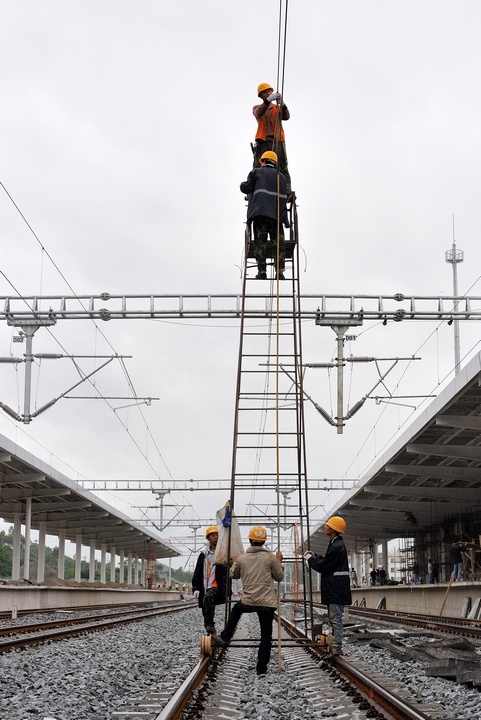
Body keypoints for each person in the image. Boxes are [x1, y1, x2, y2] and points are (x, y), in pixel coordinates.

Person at [215, 526, 284, 676]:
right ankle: (261, 669)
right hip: (267, 602)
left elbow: (234, 575)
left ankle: (225, 636)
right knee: (266, 635)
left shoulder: (242, 558)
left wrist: (235, 562)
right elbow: (279, 577)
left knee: (236, 610)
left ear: (250, 540)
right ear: (264, 541)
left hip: (248, 600)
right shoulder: (271, 557)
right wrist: (279, 563)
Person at [303, 516, 352, 657]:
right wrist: (315, 556)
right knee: (335, 618)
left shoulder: (336, 546)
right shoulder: (335, 544)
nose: (325, 527)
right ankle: (336, 646)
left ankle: (336, 647)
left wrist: (311, 560)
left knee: (336, 619)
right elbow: (328, 561)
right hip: (336, 588)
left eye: (327, 526)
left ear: (334, 529)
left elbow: (324, 567)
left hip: (335, 589)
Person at [240, 151, 289, 280]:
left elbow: (246, 187)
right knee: (278, 243)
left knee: (260, 242)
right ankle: (280, 272)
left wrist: (242, 184)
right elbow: (286, 194)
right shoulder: (282, 177)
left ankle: (262, 272)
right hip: (276, 216)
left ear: (263, 161)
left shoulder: (257, 172)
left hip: (260, 214)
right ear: (275, 162)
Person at [253, 82, 291, 192]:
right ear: (261, 95)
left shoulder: (277, 108)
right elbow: (258, 113)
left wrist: (282, 105)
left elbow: (286, 116)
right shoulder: (257, 107)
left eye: (269, 91)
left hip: (278, 141)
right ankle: (256, 188)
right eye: (265, 92)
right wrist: (268, 100)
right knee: (259, 165)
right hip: (263, 141)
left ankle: (287, 189)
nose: (268, 93)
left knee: (282, 165)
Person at [192, 525, 228, 635]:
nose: (216, 537)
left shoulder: (224, 553)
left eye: (217, 535)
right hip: (205, 585)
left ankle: (210, 626)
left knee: (208, 597)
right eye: (213, 535)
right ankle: (210, 630)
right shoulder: (203, 555)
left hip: (218, 585)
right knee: (205, 606)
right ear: (208, 538)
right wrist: (196, 588)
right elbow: (197, 572)